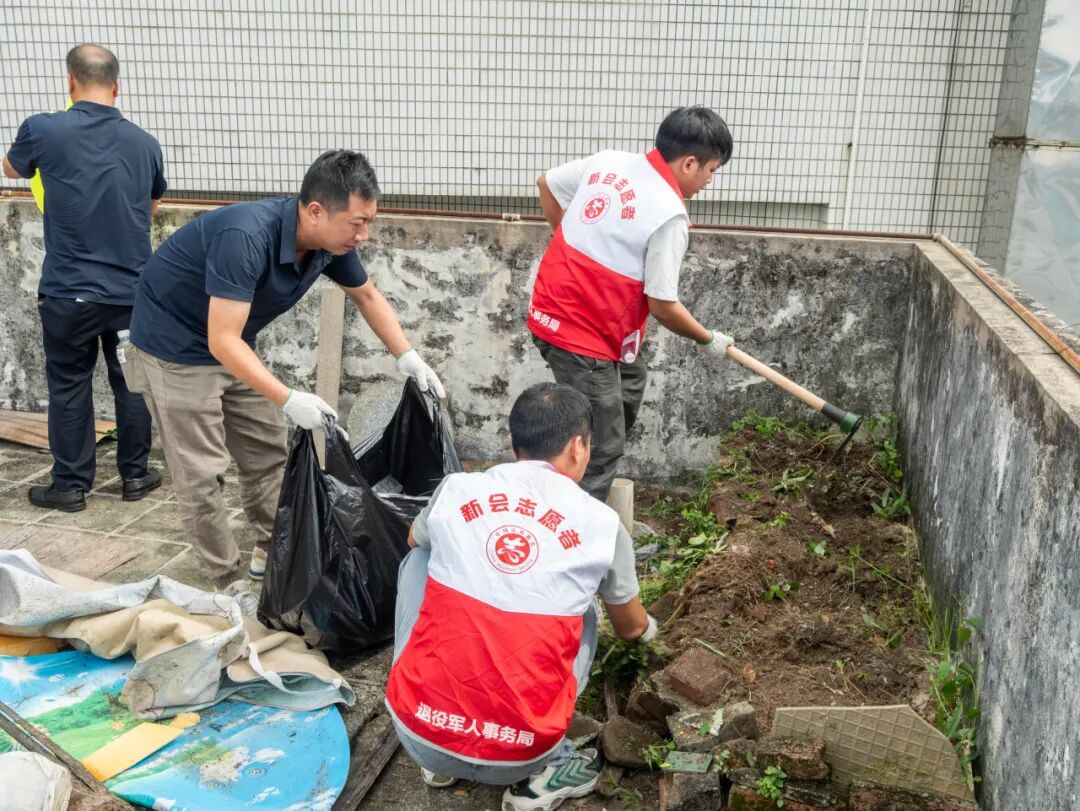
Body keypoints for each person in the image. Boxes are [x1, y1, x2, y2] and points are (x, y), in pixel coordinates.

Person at [121, 149, 445, 615]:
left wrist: (407, 356)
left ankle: (274, 549)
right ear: (315, 211)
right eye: (357, 222)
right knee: (202, 473)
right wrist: (289, 396)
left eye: (369, 221)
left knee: (269, 454)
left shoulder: (327, 245)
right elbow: (221, 339)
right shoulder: (245, 237)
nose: (364, 234)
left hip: (233, 343)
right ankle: (226, 580)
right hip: (175, 351)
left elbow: (367, 295)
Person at [385, 382, 658, 811]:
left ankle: (440, 754)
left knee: (419, 560)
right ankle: (548, 774)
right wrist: (650, 631)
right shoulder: (602, 525)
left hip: (418, 733)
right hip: (521, 752)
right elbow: (631, 628)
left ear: (515, 445)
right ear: (577, 447)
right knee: (583, 606)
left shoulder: (457, 488)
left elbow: (412, 536)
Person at [527, 106, 735, 501]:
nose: (709, 181)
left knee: (630, 384)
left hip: (560, 313)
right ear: (689, 162)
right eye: (711, 170)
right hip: (580, 336)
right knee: (601, 449)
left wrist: (564, 240)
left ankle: (583, 481)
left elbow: (546, 184)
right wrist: (709, 339)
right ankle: (578, 539)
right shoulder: (669, 216)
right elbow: (662, 305)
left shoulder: (610, 162)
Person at [2, 44, 166, 512]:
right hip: (131, 293)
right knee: (131, 380)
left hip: (68, 291)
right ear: (118, 86)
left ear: (70, 82)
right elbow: (150, 207)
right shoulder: (145, 143)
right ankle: (136, 476)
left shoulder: (43, 129)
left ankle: (70, 486)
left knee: (69, 383)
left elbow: (12, 167)